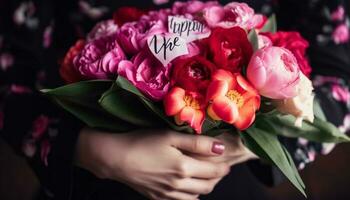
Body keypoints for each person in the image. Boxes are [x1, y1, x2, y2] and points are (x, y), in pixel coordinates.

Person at [0, 0, 349, 200]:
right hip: (89, 180)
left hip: (230, 180)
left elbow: (339, 75)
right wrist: (88, 150)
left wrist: (250, 140)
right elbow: (9, 71)